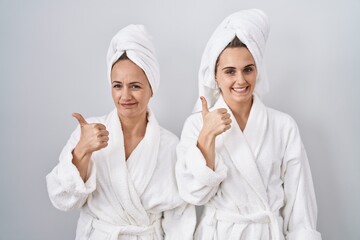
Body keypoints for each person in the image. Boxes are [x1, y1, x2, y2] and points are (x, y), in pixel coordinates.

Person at [176, 9, 322, 240]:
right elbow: (193, 195)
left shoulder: (283, 126)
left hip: (267, 233)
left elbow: (300, 205)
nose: (241, 80)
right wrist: (206, 137)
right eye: (229, 71)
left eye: (248, 69)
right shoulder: (197, 125)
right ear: (215, 76)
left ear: (258, 71)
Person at [46, 24, 195, 240]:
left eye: (135, 86)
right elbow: (61, 199)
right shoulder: (88, 132)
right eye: (117, 86)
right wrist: (81, 152)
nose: (125, 96)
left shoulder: (170, 145)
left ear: (151, 88)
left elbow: (179, 217)